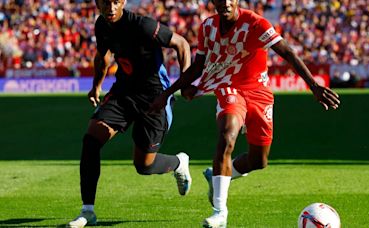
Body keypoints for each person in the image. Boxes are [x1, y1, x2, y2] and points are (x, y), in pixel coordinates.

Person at [149, 0, 341, 227]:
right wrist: (171, 91)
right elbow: (199, 66)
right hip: (229, 88)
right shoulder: (207, 27)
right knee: (227, 135)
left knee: (259, 160)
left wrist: (314, 85)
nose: (225, 3)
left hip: (259, 93)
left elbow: (287, 52)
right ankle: (220, 212)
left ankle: (217, 176)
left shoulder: (256, 23)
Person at [67, 0, 192, 227]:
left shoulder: (143, 25)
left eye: (116, 2)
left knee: (144, 166)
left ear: (123, 1)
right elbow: (103, 55)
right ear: (97, 3)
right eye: (105, 2)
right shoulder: (102, 25)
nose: (111, 7)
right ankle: (88, 211)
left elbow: (182, 44)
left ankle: (178, 163)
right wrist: (97, 85)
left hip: (154, 96)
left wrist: (184, 82)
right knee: (91, 139)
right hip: (123, 92)